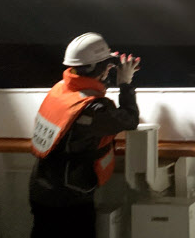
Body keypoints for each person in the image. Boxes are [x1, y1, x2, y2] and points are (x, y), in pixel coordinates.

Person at [29, 32, 141, 238]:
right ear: (99, 68)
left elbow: (86, 93)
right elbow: (129, 119)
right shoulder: (94, 110)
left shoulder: (60, 90)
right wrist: (125, 83)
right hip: (69, 197)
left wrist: (103, 71)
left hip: (40, 188)